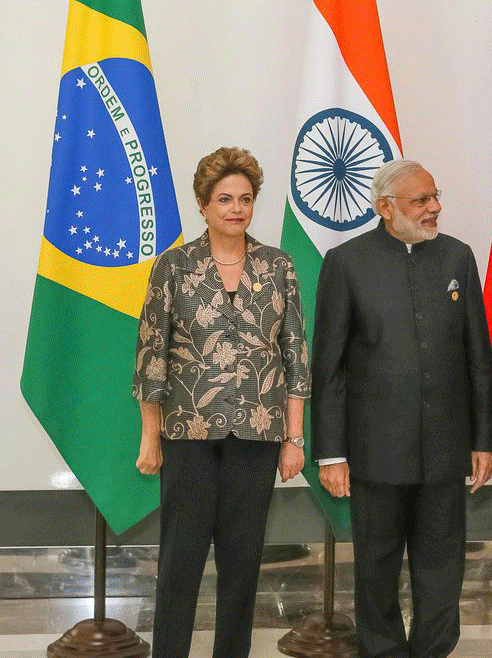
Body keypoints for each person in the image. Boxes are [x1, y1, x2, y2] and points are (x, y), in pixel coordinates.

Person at [311, 159, 492, 658]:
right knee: (376, 566)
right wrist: (331, 453)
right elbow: (327, 367)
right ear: (385, 208)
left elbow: (478, 356)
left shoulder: (457, 257)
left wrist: (484, 439)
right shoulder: (346, 262)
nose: (435, 208)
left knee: (443, 567)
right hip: (374, 452)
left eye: (436, 197)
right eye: (422, 201)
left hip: (445, 448)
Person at [132, 146, 311, 658]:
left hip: (258, 436)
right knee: (181, 560)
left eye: (246, 199)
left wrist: (293, 438)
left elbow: (295, 355)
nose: (237, 208)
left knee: (242, 562)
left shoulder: (278, 266)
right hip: (187, 434)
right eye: (225, 199)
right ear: (203, 204)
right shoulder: (175, 265)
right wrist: (150, 436)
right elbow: (151, 354)